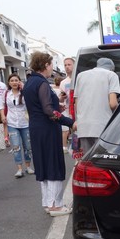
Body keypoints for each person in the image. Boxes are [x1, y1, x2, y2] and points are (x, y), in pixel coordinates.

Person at [22, 52, 74, 216]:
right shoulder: (42, 83)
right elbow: (48, 110)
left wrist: (57, 107)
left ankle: (47, 202)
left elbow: (39, 107)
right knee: (53, 163)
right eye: (51, 64)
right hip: (47, 128)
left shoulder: (30, 82)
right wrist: (69, 122)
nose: (53, 68)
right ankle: (55, 205)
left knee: (43, 164)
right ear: (45, 65)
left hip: (35, 128)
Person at [73, 57, 120, 154]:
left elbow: (77, 102)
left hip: (83, 127)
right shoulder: (111, 75)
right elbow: (113, 104)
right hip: (102, 126)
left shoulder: (81, 76)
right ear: (111, 68)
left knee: (87, 161)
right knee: (101, 162)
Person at [4, 73, 34, 178]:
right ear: (9, 83)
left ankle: (28, 166)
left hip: (25, 123)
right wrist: (3, 117)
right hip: (12, 123)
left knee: (28, 147)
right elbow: (2, 107)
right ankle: (19, 169)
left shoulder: (25, 93)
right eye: (12, 80)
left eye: (16, 80)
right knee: (16, 147)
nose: (14, 82)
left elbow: (32, 104)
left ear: (19, 82)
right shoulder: (6, 94)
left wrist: (24, 88)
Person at [59, 57, 74, 152]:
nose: (67, 67)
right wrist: (61, 98)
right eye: (65, 65)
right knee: (70, 133)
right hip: (68, 111)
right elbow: (61, 99)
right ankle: (77, 158)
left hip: (80, 111)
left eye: (69, 64)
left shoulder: (79, 78)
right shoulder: (63, 82)